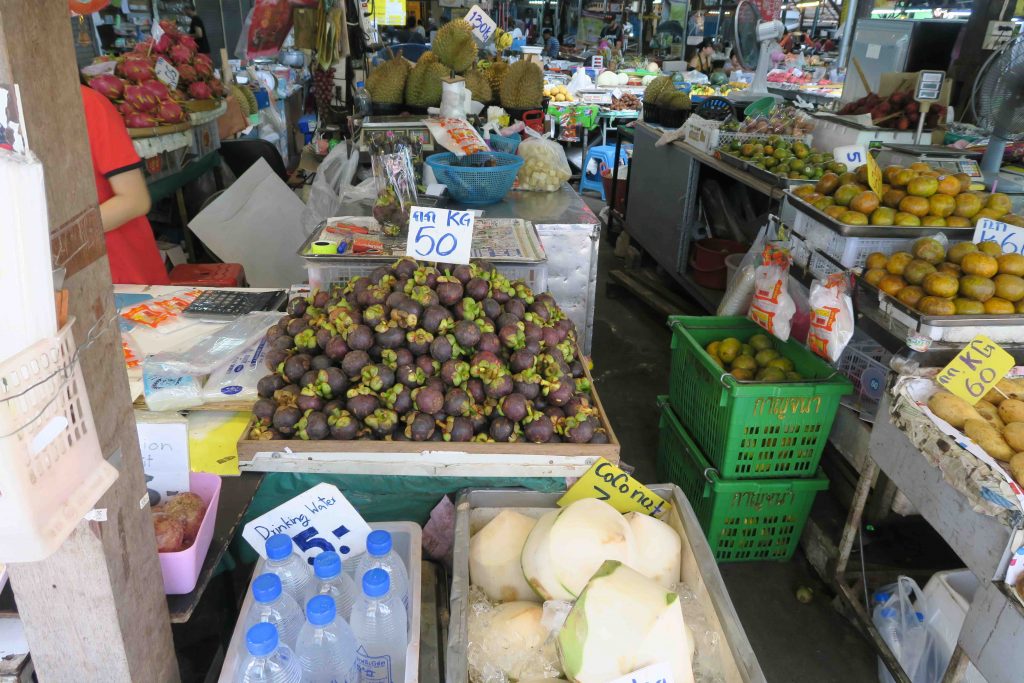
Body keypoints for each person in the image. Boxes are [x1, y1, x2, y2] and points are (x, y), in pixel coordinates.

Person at [79, 85, 168, 285]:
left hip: (119, 274)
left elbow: (134, 200)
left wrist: (53, 243)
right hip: (57, 283)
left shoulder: (87, 104)